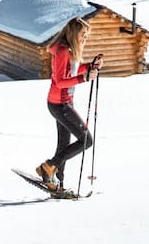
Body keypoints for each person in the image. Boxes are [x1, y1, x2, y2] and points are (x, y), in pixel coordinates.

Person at [35, 16, 102, 190]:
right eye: (83, 34)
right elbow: (60, 81)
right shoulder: (63, 50)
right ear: (73, 33)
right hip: (60, 104)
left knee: (64, 144)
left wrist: (89, 66)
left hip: (64, 103)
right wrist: (84, 78)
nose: (84, 38)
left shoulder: (69, 50)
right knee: (86, 140)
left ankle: (56, 181)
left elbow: (72, 70)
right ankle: (49, 166)